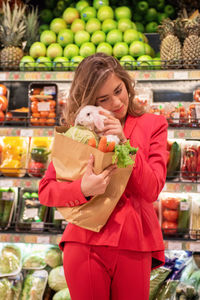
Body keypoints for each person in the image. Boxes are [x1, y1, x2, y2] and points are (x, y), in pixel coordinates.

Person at [39, 52, 168, 300]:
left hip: (133, 243)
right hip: (84, 242)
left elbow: (152, 189)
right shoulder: (80, 130)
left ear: (126, 83)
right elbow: (46, 190)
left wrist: (124, 141)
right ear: (90, 102)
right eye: (104, 99)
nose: (117, 103)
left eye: (119, 91)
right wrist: (83, 189)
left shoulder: (153, 124)